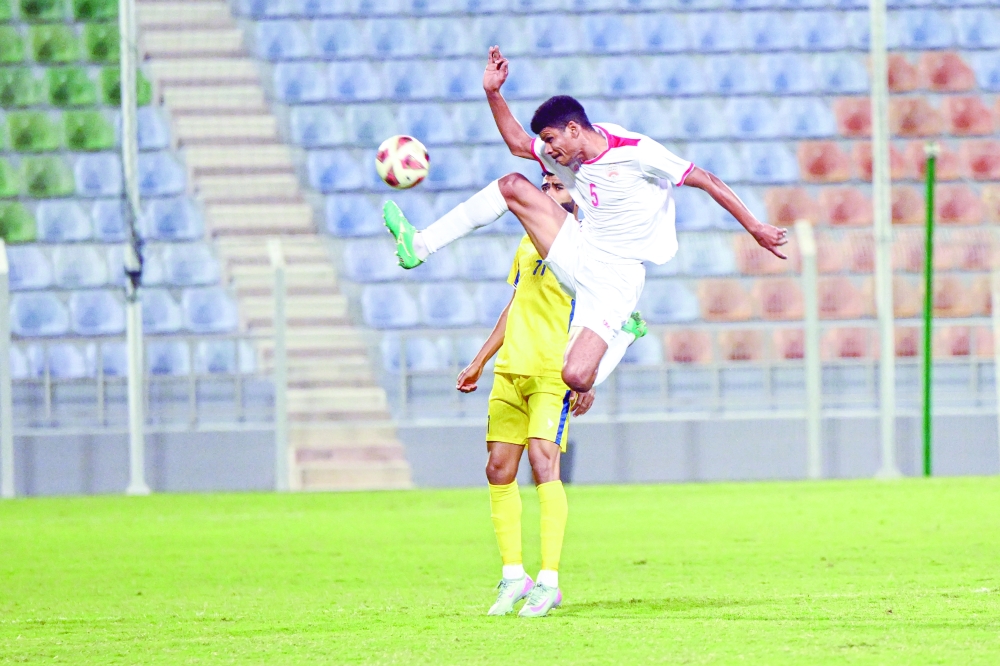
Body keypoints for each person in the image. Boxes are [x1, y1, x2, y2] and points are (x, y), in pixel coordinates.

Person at [384, 46, 788, 396]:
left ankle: (624, 332)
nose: (548, 150)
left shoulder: (636, 152)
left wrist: (755, 227)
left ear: (574, 128)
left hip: (618, 275)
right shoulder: (565, 151)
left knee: (575, 377)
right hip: (580, 246)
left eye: (552, 139)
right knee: (511, 185)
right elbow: (514, 143)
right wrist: (492, 93)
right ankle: (419, 244)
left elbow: (705, 178)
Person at [457, 171, 646, 618]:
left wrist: (590, 375)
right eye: (544, 187)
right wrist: (481, 360)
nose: (547, 193)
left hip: (552, 372)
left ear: (577, 198)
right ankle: (513, 575)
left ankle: (549, 580)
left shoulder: (589, 252)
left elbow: (609, 315)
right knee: (497, 468)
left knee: (544, 462)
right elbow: (515, 304)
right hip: (511, 370)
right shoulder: (527, 244)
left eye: (556, 187)